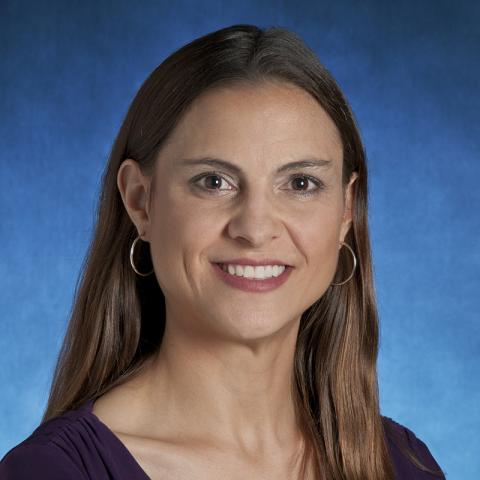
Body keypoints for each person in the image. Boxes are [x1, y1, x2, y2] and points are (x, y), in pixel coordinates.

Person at [0, 24, 446, 479]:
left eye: (300, 184)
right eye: (213, 182)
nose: (254, 229)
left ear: (346, 211)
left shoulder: (405, 463)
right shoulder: (54, 470)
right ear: (140, 201)